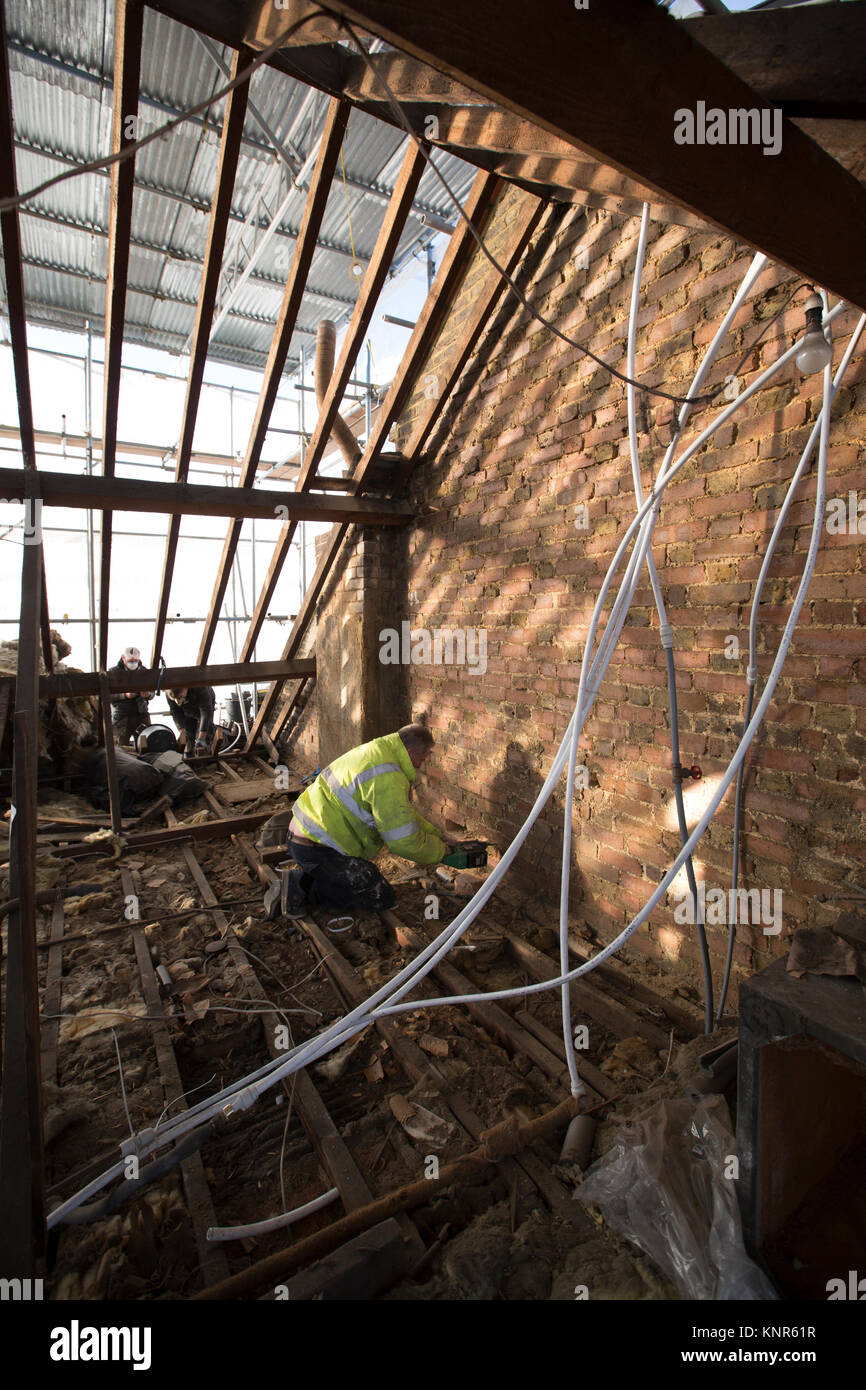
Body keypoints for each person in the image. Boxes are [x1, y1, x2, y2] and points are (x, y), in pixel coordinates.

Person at [271, 723, 452, 915]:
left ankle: (311, 878)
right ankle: (300, 888)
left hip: (305, 835)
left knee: (364, 877)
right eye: (421, 760)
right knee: (377, 894)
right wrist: (441, 851)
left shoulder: (378, 753)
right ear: (409, 751)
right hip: (316, 847)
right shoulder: (388, 776)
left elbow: (402, 815)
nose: (419, 766)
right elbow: (403, 842)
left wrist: (437, 835)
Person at [110, 647, 154, 746]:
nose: (133, 663)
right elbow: (108, 696)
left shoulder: (144, 671)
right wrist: (124, 695)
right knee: (120, 746)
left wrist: (148, 694)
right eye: (130, 661)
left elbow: (153, 692)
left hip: (141, 715)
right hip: (122, 716)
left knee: (146, 745)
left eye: (135, 661)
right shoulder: (113, 673)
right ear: (123, 658)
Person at [166, 685, 216, 756]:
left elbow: (206, 712)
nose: (177, 701)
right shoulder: (168, 691)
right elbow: (176, 713)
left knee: (205, 736)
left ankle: (205, 758)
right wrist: (182, 732)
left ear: (185, 688)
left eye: (179, 697)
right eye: (175, 699)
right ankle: (190, 756)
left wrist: (201, 738)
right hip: (186, 710)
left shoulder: (200, 687)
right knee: (189, 736)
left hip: (202, 705)